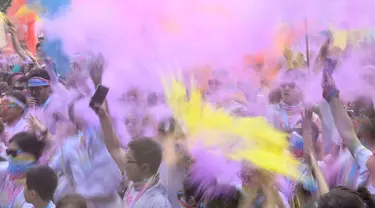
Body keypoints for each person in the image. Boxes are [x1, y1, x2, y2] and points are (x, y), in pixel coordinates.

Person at [92, 100, 172, 207]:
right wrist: (104, 118)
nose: (125, 164)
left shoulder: (158, 202)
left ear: (145, 168)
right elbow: (114, 148)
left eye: (128, 161)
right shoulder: (135, 183)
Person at [50, 97, 122, 207]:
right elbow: (52, 168)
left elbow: (110, 133)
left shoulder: (105, 137)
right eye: (79, 125)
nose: (85, 129)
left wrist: (103, 116)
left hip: (111, 202)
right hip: (85, 203)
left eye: (87, 122)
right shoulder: (69, 144)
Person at [0, 132, 46, 207]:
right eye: (8, 152)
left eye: (13, 153)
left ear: (30, 155)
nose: (10, 158)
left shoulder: (37, 187)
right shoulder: (10, 177)